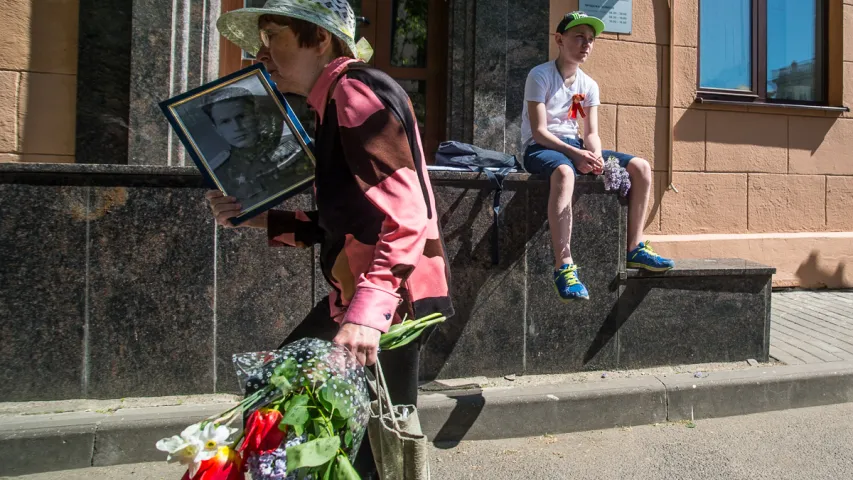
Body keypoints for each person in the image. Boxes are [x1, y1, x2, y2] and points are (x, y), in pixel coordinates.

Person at [207, 1, 454, 476]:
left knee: (367, 444)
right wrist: (254, 219)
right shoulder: (334, 100)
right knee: (293, 401)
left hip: (391, 305)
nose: (261, 54)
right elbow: (343, 224)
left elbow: (407, 216)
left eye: (273, 36)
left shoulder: (354, 90)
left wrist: (368, 314)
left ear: (320, 40)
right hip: (372, 297)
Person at [521, 11, 675, 302]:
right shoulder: (539, 75)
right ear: (559, 39)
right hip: (540, 149)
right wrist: (575, 154)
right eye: (579, 37)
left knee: (641, 167)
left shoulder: (588, 85)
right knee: (565, 173)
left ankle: (634, 248)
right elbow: (539, 132)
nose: (586, 44)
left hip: (573, 145)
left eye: (590, 40)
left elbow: (590, 132)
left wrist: (594, 155)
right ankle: (564, 266)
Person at [202, 86, 311, 205]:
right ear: (217, 130)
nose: (237, 127)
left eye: (242, 117)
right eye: (225, 122)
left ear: (256, 115)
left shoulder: (297, 147)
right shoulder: (220, 171)